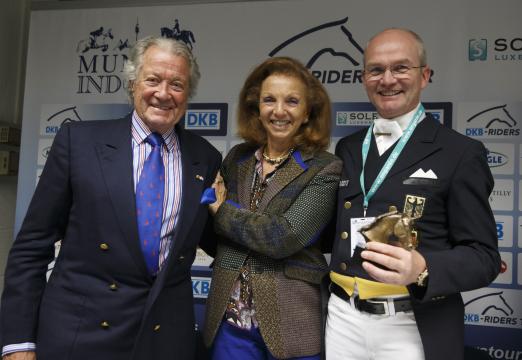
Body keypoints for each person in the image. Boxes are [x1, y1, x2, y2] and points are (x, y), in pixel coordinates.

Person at [0, 36, 221, 360]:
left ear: (188, 94)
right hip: (81, 336)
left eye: (177, 84)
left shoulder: (206, 157)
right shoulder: (79, 142)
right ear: (132, 83)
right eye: (153, 80)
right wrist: (18, 342)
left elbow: (216, 242)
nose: (163, 93)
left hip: (165, 341)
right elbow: (32, 246)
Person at [325, 28, 500, 360]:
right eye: (376, 69)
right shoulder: (347, 147)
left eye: (401, 68)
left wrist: (423, 268)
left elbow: (485, 257)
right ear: (364, 78)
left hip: (411, 324)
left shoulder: (461, 152)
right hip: (342, 317)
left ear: (425, 76)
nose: (388, 79)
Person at [203, 57, 342, 360]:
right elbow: (215, 234)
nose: (279, 111)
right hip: (231, 320)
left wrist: (223, 211)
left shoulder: (325, 167)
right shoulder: (237, 158)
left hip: (291, 321)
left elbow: (283, 237)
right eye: (269, 100)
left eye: (292, 101)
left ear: (308, 112)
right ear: (256, 108)